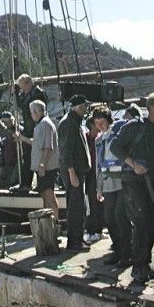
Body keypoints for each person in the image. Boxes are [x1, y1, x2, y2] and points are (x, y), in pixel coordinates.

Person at [110, 92, 154, 284]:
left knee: (151, 223)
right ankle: (137, 267)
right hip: (132, 180)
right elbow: (115, 147)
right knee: (140, 222)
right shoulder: (134, 127)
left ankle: (145, 263)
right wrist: (133, 164)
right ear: (150, 109)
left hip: (149, 180)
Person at [93, 105, 133, 267]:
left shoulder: (118, 133)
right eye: (97, 123)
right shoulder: (99, 140)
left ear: (108, 120)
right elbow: (98, 165)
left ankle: (127, 253)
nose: (100, 126)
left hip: (121, 182)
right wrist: (99, 188)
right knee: (109, 219)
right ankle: (117, 250)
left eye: (102, 122)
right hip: (108, 183)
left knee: (121, 217)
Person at [14, 100, 59, 219]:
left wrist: (42, 164)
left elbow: (48, 147)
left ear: (35, 112)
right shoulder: (40, 125)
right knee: (44, 195)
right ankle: (47, 222)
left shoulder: (46, 125)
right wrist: (22, 138)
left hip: (47, 168)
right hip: (42, 167)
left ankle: (56, 222)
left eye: (31, 112)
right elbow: (37, 142)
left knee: (49, 195)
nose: (31, 115)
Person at [58, 94, 91, 252]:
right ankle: (74, 242)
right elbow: (66, 151)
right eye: (82, 107)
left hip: (77, 169)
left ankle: (78, 238)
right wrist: (72, 173)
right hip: (73, 170)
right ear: (75, 107)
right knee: (75, 207)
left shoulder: (74, 121)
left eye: (85, 106)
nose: (85, 110)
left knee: (79, 206)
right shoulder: (69, 123)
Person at [15, 74, 48, 185]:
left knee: (35, 156)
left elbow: (27, 107)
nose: (22, 90)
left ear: (28, 83)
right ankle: (26, 183)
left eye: (23, 87)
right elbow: (22, 105)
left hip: (35, 128)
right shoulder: (29, 93)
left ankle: (34, 184)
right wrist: (17, 93)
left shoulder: (37, 94)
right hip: (30, 128)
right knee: (28, 157)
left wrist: (20, 95)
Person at [84, 114, 104, 243]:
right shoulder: (85, 138)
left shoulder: (101, 138)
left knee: (100, 203)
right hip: (90, 173)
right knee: (91, 203)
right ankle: (91, 231)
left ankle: (99, 230)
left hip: (100, 172)